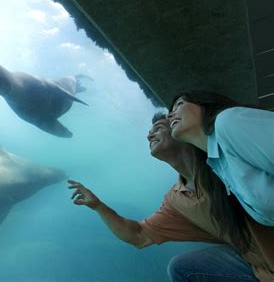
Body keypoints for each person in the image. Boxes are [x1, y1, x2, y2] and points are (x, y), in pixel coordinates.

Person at [68, 113, 274, 281]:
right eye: (149, 133)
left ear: (178, 130)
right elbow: (138, 236)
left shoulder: (220, 159)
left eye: (158, 128)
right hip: (260, 268)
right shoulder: (176, 199)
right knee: (181, 268)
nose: (149, 136)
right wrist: (98, 206)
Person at [167, 90, 274, 226]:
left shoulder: (228, 122)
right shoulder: (216, 164)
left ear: (204, 104)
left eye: (180, 104)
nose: (169, 115)